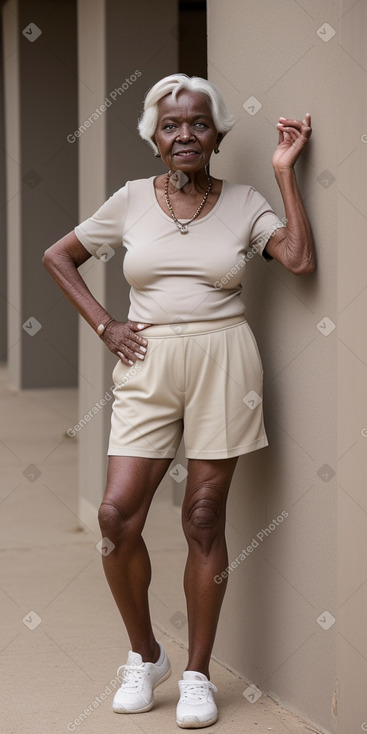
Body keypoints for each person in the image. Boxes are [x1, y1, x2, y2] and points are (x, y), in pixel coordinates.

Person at [42, 73, 315, 729]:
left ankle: (197, 674)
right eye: (170, 125)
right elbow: (59, 256)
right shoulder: (132, 199)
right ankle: (146, 657)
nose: (184, 134)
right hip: (147, 362)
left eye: (197, 123)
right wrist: (105, 324)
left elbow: (298, 259)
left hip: (224, 358)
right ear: (154, 139)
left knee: (200, 518)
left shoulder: (244, 200)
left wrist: (283, 171)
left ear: (216, 134)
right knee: (115, 517)